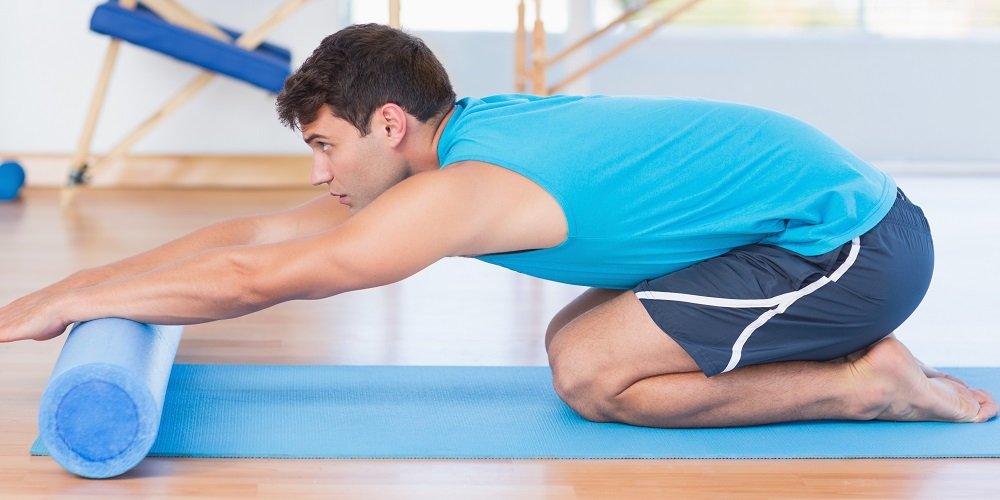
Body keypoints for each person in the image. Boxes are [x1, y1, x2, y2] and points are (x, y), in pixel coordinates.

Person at [1, 24, 995, 428]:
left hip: (851, 246)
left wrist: (71, 300)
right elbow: (263, 235)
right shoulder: (465, 135)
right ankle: (854, 365)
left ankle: (868, 383)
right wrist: (55, 293)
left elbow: (272, 278)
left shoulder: (462, 184)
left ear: (388, 124)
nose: (318, 173)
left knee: (592, 378)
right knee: (577, 340)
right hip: (795, 222)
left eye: (324, 146)